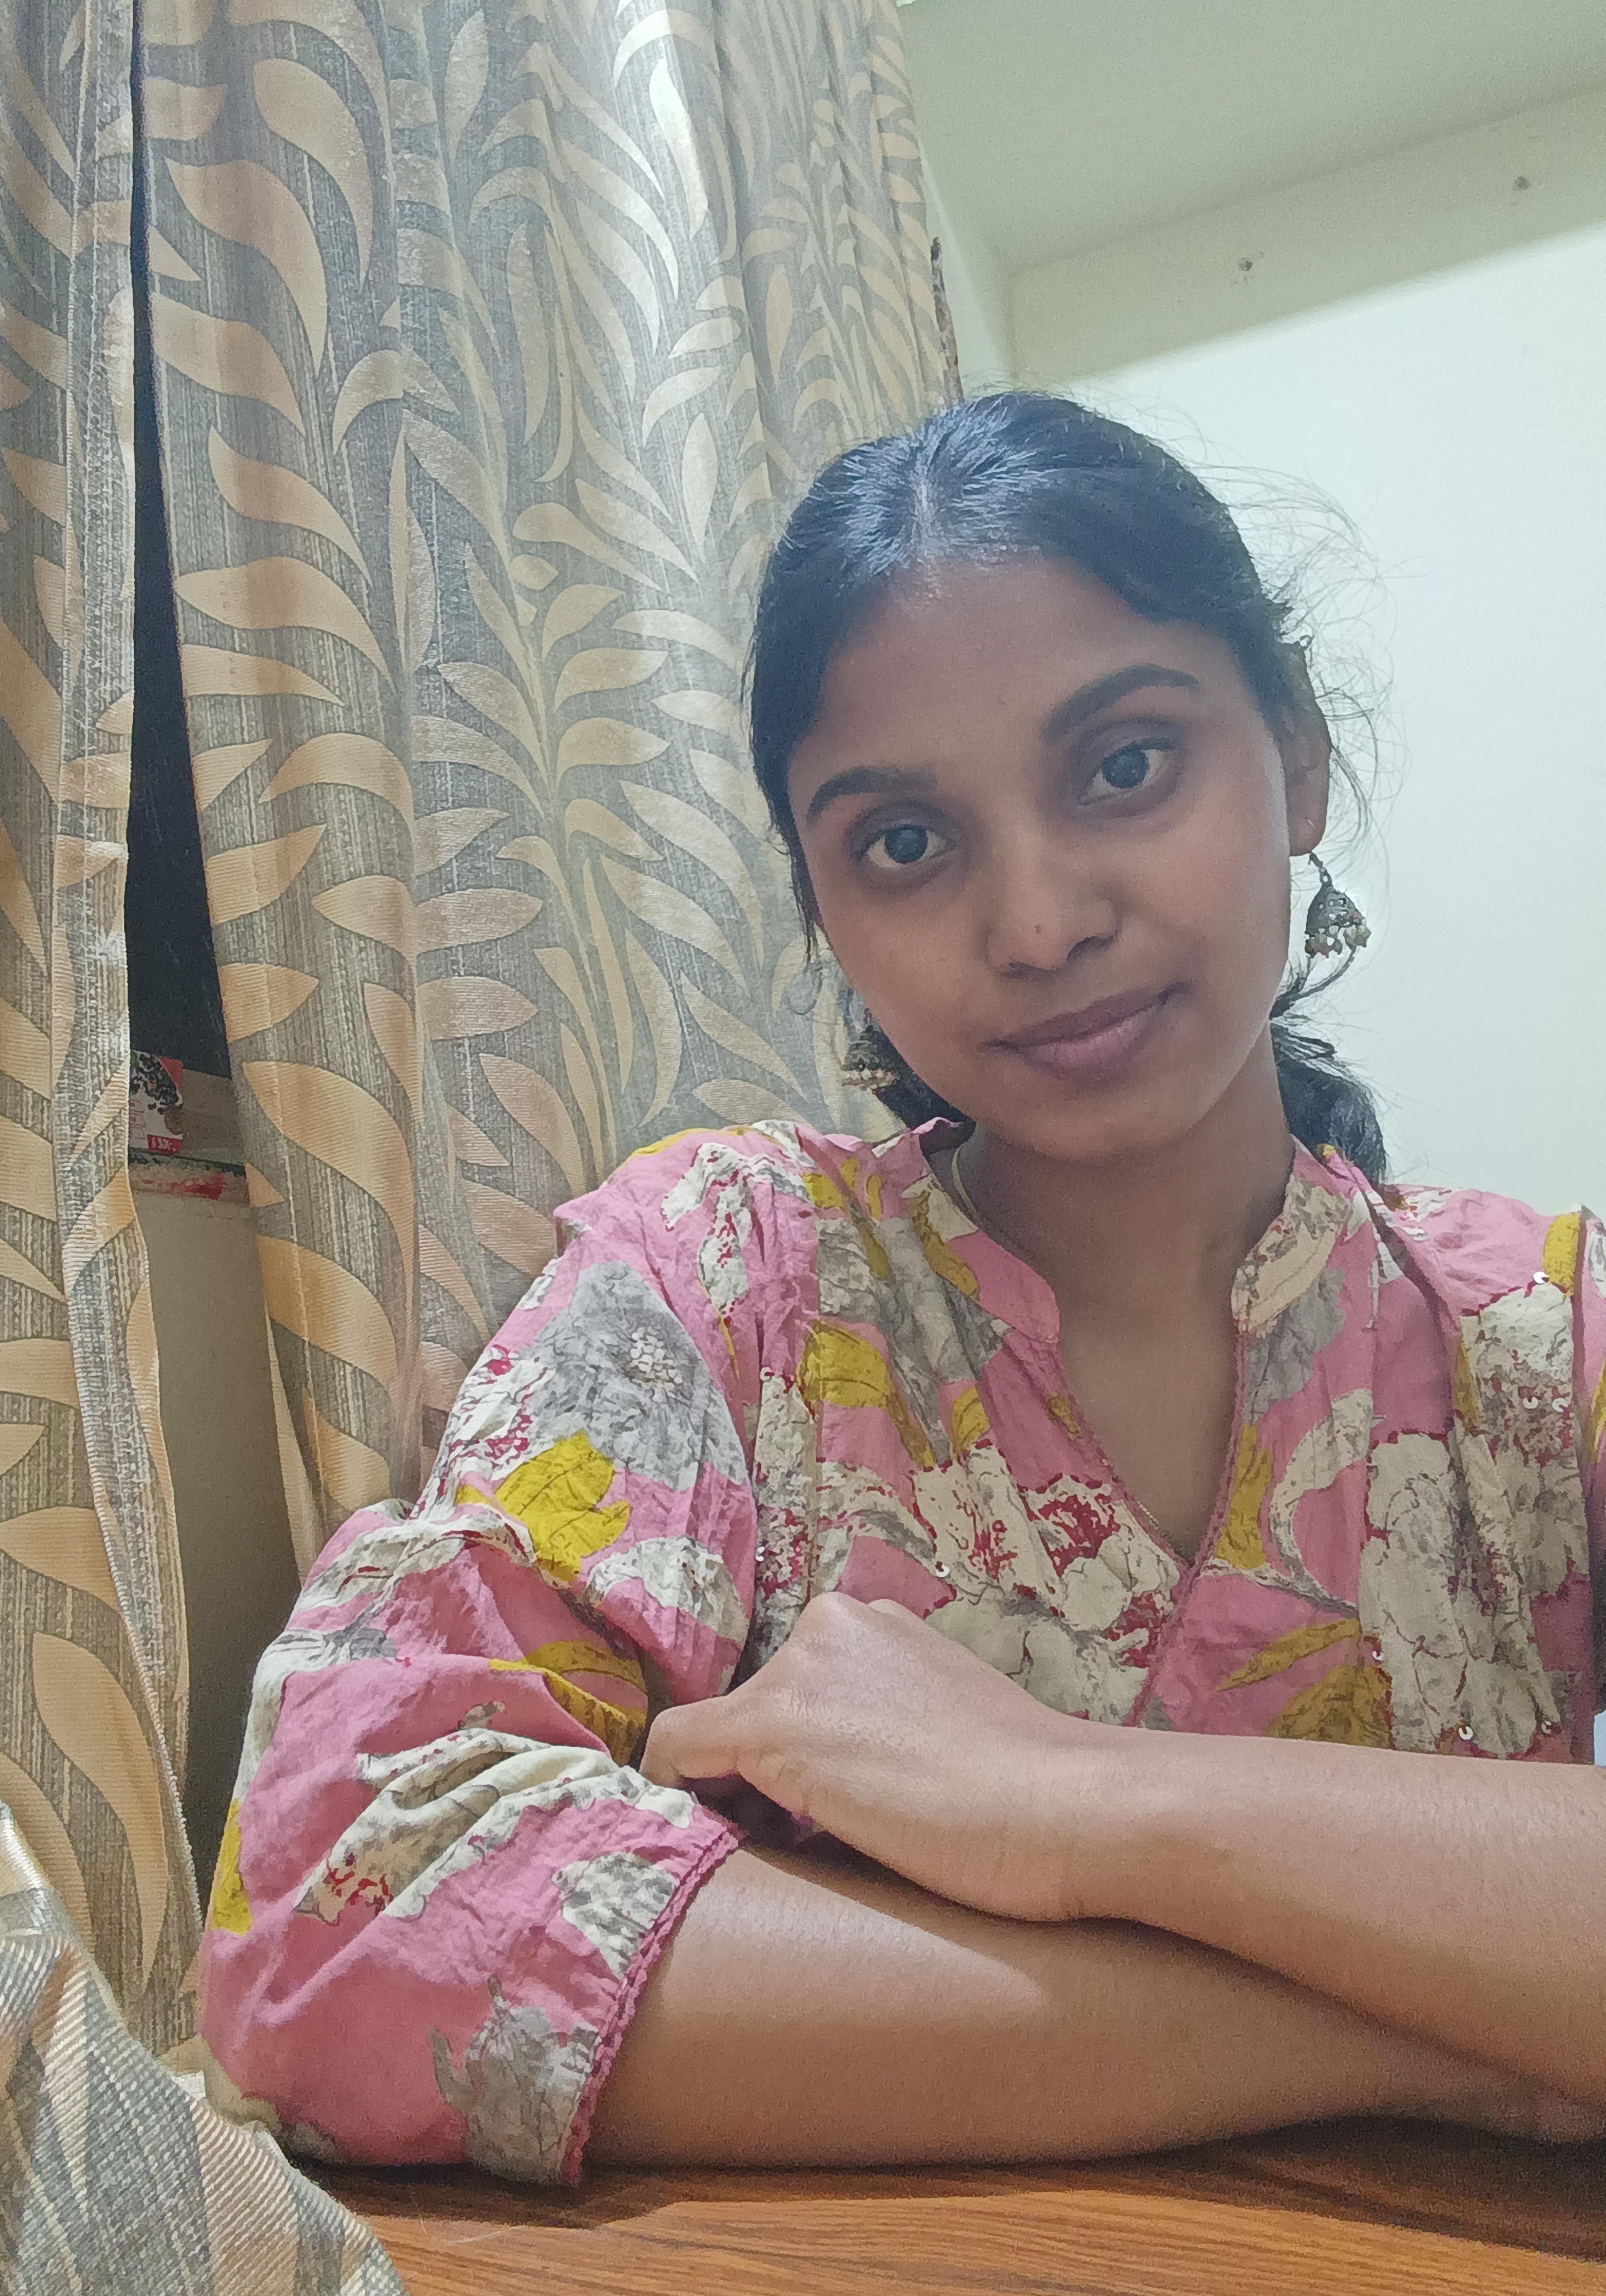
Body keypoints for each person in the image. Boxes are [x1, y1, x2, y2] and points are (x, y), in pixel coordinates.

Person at [200, 393, 1606, 2183]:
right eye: (905, 845)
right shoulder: (725, 1284)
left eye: (1126, 766)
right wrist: (1447, 2020)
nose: (1037, 923)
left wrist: (1063, 1795)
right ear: (822, 909)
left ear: (1300, 758)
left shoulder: (1541, 1345)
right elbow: (342, 1916)